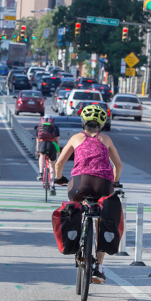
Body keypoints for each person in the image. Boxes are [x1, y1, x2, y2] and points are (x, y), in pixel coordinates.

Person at [54, 105, 123, 283]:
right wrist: (114, 182)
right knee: (102, 217)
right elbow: (118, 165)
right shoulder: (106, 139)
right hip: (103, 184)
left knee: (75, 208)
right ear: (101, 124)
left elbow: (59, 163)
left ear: (83, 122)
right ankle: (98, 268)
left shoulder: (76, 138)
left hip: (79, 183)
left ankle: (76, 242)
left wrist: (59, 178)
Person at [35, 116, 61, 196]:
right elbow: (57, 142)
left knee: (42, 155)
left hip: (42, 144)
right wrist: (58, 152)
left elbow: (37, 141)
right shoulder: (55, 128)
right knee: (52, 166)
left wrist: (38, 151)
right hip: (52, 145)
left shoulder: (39, 128)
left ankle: (40, 173)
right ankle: (52, 185)